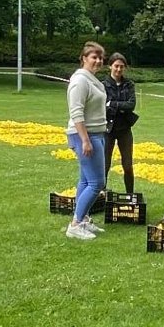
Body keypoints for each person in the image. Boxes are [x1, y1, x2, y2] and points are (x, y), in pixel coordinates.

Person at [64, 41, 110, 239]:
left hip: (96, 133)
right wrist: (84, 140)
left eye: (100, 58)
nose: (98, 61)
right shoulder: (80, 80)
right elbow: (76, 112)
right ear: (84, 58)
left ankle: (82, 219)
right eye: (94, 57)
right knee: (97, 182)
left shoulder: (92, 79)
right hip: (85, 134)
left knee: (85, 180)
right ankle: (75, 225)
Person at [102, 53, 138, 195]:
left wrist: (113, 104)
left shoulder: (129, 84)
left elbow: (131, 105)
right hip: (107, 130)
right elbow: (103, 106)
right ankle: (101, 193)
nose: (118, 69)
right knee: (104, 164)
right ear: (110, 66)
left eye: (121, 67)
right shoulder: (103, 85)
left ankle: (130, 195)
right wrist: (119, 107)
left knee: (128, 165)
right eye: (116, 66)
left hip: (124, 129)